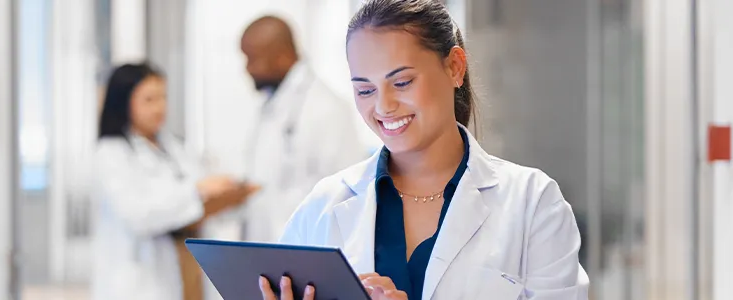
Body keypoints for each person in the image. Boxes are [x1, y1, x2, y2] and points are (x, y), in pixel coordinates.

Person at [259, 1, 589, 299]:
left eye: (402, 83)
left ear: (454, 68)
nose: (383, 106)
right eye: (364, 89)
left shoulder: (534, 204)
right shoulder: (321, 208)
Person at [91, 63, 257, 300]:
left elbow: (199, 205)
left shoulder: (174, 148)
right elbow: (138, 216)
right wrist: (198, 190)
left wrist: (231, 196)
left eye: (163, 98)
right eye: (149, 100)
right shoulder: (111, 154)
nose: (160, 107)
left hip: (185, 271)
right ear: (123, 102)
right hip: (138, 283)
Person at [237, 16, 373, 242]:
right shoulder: (271, 105)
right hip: (268, 251)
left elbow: (348, 195)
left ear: (282, 57)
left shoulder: (327, 108)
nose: (247, 68)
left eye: (252, 59)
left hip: (308, 251)